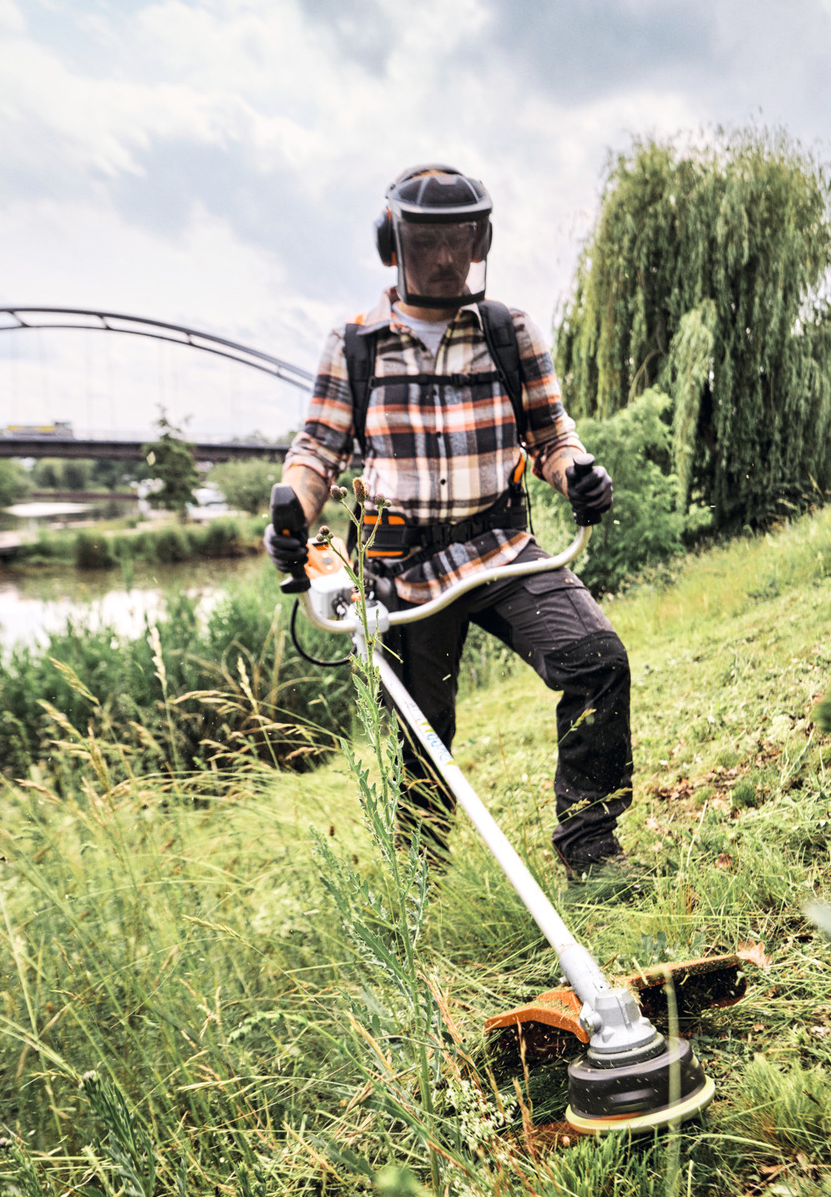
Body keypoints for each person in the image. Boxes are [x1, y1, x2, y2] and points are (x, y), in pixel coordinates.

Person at [268, 163, 634, 879]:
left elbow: (551, 437)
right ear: (391, 243)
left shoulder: (509, 331)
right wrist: (292, 511)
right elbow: (316, 450)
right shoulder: (355, 345)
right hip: (399, 574)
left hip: (503, 550)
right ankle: (421, 882)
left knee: (598, 662)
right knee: (420, 739)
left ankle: (591, 844)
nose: (443, 259)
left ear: (480, 242)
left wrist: (579, 475)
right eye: (426, 241)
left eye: (459, 240)